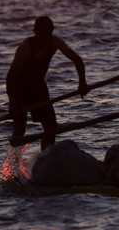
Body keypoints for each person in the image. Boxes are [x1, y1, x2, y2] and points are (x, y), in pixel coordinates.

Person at [7, 16, 89, 150]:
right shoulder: (26, 47)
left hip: (39, 87)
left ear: (51, 32)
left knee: (51, 128)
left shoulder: (54, 42)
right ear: (35, 32)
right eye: (41, 33)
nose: (44, 38)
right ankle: (13, 165)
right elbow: (10, 77)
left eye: (47, 33)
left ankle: (45, 157)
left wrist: (82, 83)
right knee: (19, 130)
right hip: (20, 89)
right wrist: (13, 105)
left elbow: (77, 59)